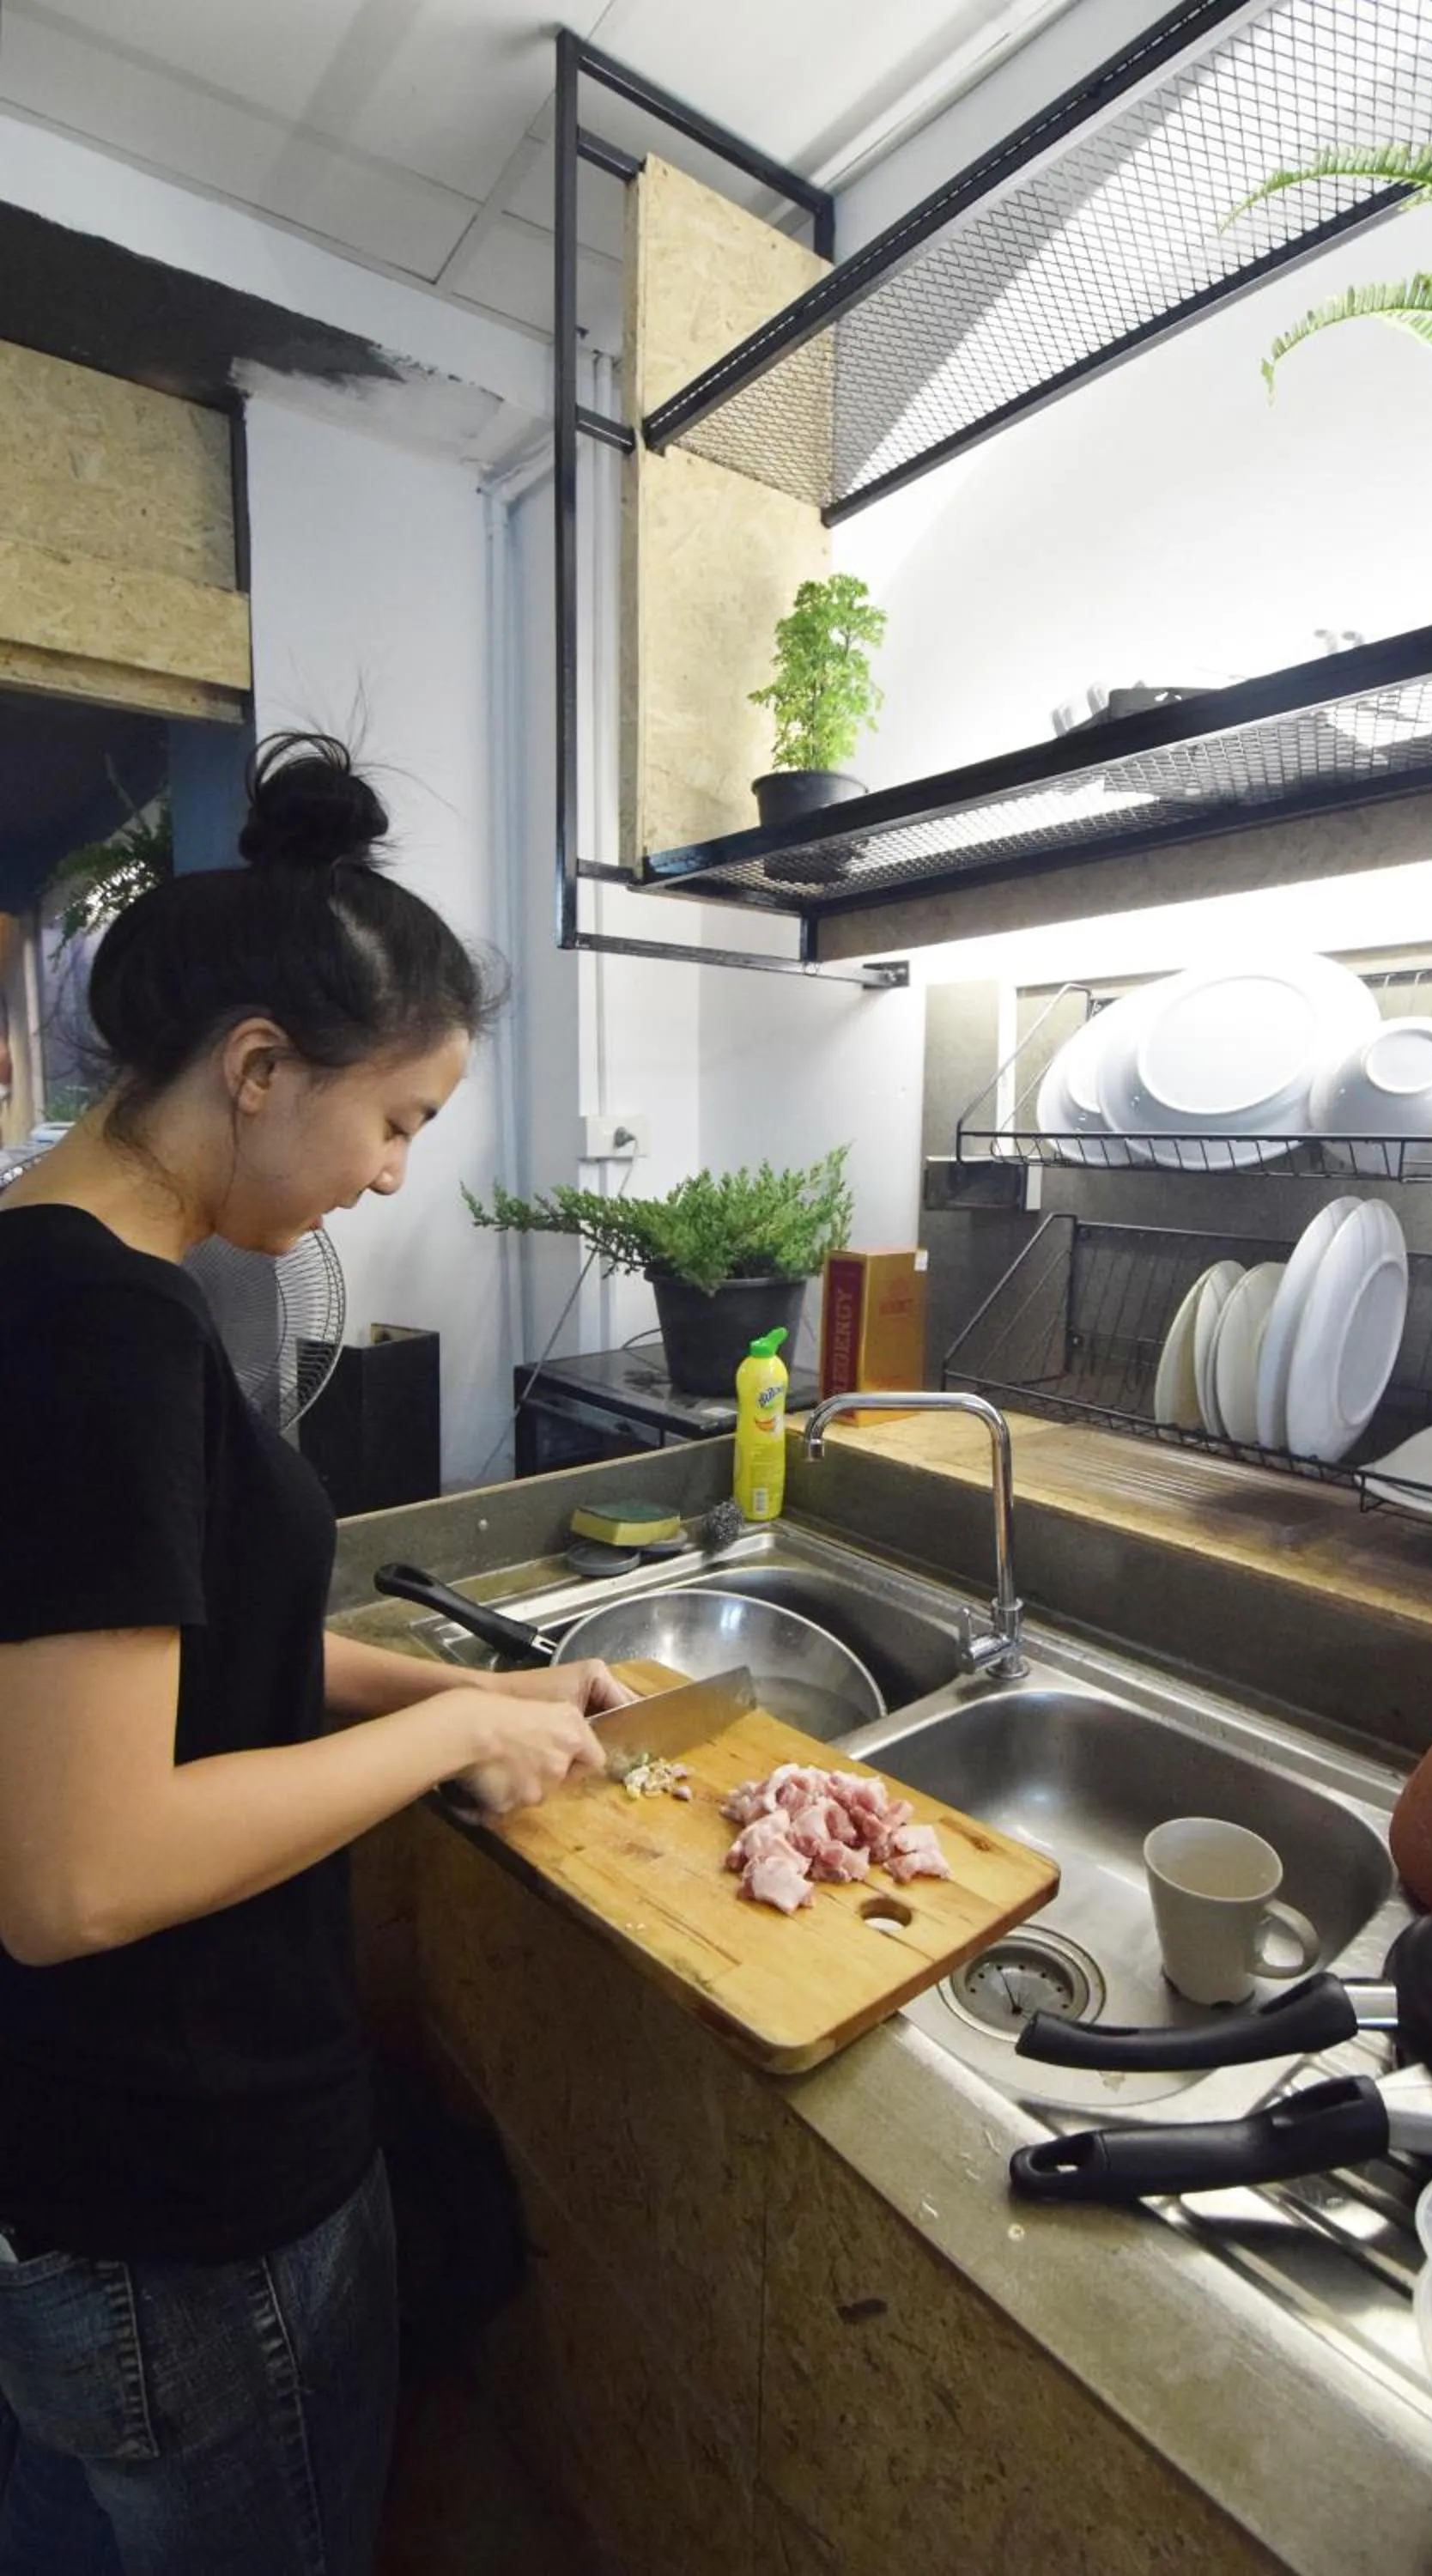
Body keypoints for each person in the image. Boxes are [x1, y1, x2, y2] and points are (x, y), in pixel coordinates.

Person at [0, 733, 628, 2575]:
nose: (395, 1174)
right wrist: (441, 1753)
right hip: (178, 2196)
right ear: (260, 1068)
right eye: (399, 1120)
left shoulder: (41, 1271)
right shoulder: (103, 1337)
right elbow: (79, 1875)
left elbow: (189, 1650)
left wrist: (472, 1694)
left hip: (73, 2172)